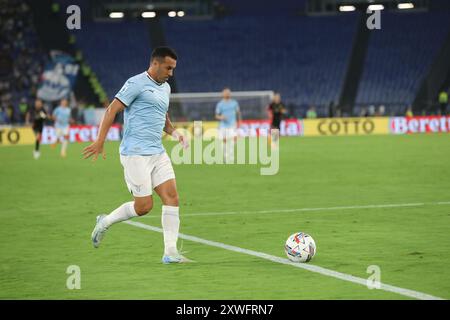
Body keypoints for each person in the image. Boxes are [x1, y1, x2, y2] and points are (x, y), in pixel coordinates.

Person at [82, 47, 191, 264]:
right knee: (144, 207)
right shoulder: (136, 83)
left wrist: (176, 133)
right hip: (135, 154)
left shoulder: (166, 88)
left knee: (172, 198)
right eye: (168, 68)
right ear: (156, 64)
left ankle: (170, 253)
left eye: (173, 68)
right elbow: (112, 110)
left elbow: (163, 117)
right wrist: (100, 140)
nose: (171, 72)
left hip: (157, 152)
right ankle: (105, 222)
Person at [215, 87, 241, 161]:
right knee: (224, 141)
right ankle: (226, 156)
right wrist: (221, 117)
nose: (227, 94)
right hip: (223, 126)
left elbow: (238, 113)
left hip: (233, 125)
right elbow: (216, 115)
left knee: (233, 141)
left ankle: (231, 156)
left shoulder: (234, 103)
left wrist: (240, 123)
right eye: (226, 92)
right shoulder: (220, 104)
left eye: (228, 92)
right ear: (223, 94)